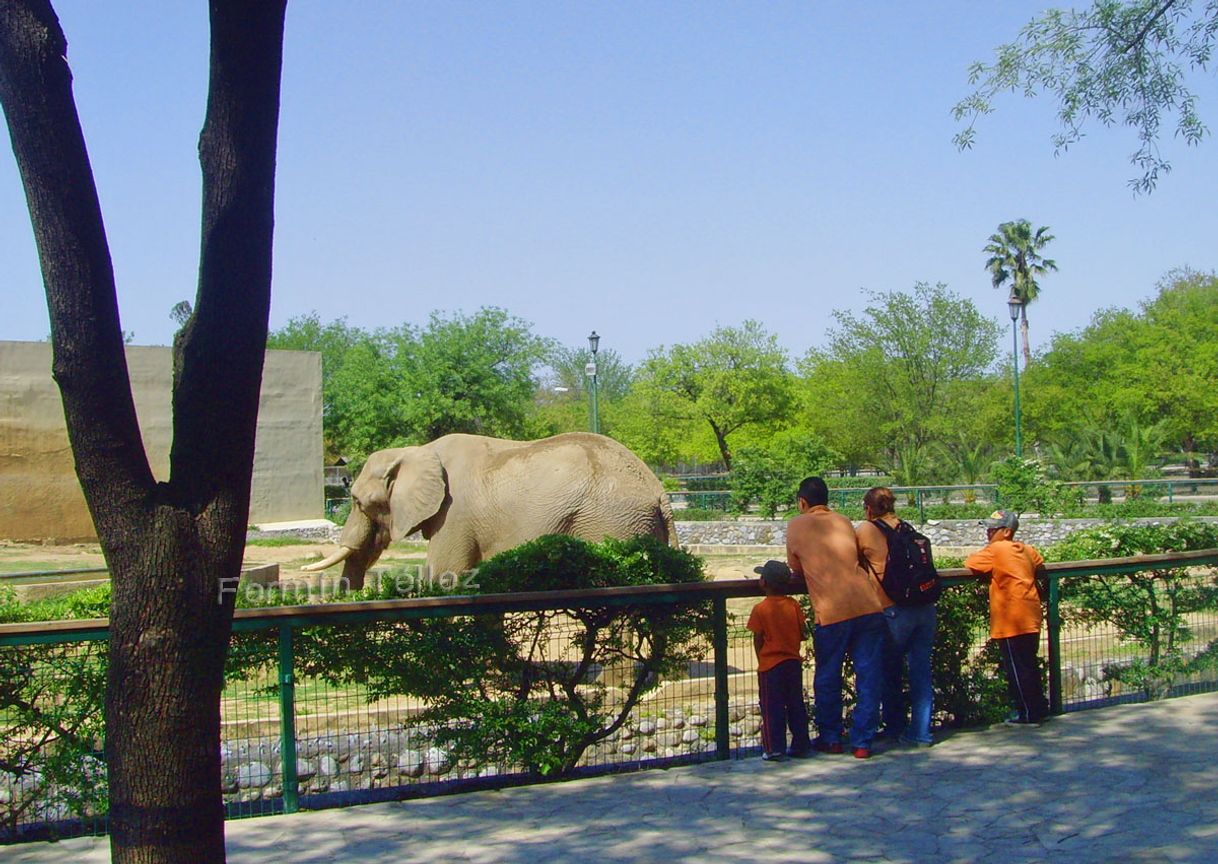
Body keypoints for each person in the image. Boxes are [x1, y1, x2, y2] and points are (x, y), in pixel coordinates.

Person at [786, 476, 888, 758]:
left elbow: (795, 565)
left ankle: (831, 738)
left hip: (832, 612)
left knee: (828, 676)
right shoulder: (843, 521)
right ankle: (863, 743)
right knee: (868, 676)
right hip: (868, 605)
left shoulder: (796, 524)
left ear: (802, 502)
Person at [857, 486, 936, 747]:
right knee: (921, 671)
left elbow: (850, 559)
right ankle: (921, 732)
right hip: (924, 607)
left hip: (894, 610)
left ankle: (894, 727)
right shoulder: (907, 528)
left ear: (869, 508)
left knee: (888, 671)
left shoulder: (867, 529)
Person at [965, 509, 1050, 726]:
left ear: (1005, 531)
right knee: (1029, 664)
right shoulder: (1027, 549)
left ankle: (1028, 714)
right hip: (1030, 613)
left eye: (993, 529)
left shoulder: (995, 550)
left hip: (1011, 618)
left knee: (1016, 668)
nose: (988, 532)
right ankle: (1039, 709)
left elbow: (972, 563)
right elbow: (1040, 565)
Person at [746, 559, 812, 761]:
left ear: (764, 582)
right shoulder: (793, 606)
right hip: (793, 661)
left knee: (771, 707)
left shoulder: (760, 609)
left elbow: (757, 637)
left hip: (770, 665)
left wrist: (761, 660)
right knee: (795, 704)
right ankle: (801, 744)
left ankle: (774, 747)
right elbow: (803, 633)